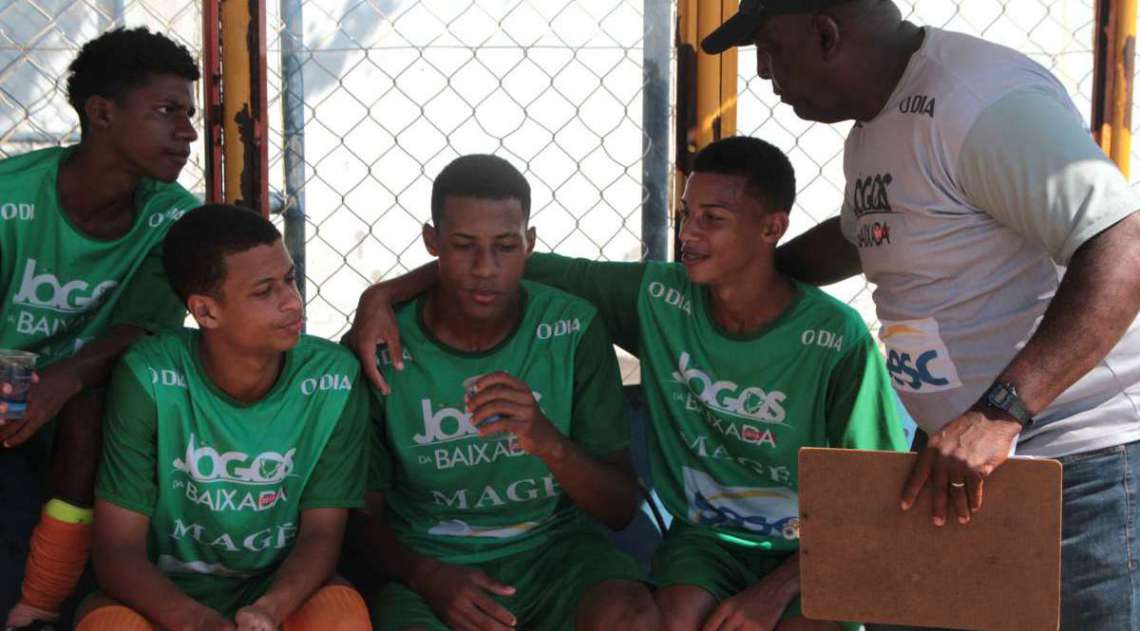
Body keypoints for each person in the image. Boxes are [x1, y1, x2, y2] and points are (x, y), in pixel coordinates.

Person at [701, 0, 1140, 628]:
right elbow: (862, 234)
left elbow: (1123, 242)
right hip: (962, 460)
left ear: (826, 34)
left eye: (771, 48)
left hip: (1076, 460)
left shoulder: (978, 101)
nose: (765, 72)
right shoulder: (876, 124)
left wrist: (1002, 411)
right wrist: (748, 273)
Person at [349, 138, 908, 630]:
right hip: (707, 543)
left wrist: (773, 594)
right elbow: (504, 264)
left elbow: (873, 499)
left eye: (711, 218)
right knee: (680, 617)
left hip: (813, 551)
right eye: (685, 214)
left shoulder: (836, 338)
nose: (687, 235)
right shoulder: (661, 297)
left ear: (771, 228)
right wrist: (383, 295)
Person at [359, 154, 659, 631]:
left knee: (632, 618)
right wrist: (428, 576)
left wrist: (547, 442)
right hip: (432, 564)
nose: (485, 268)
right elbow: (357, 519)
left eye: (504, 246)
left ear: (530, 245)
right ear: (431, 241)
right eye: (462, 246)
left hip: (554, 554)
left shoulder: (572, 329)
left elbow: (621, 508)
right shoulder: (382, 344)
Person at [76, 205, 371, 631]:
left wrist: (267, 611)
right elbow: (117, 551)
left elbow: (321, 536)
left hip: (277, 592)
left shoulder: (332, 378)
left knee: (342, 617)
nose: (292, 302)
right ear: (206, 311)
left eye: (289, 279)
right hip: (165, 595)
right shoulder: (150, 376)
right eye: (264, 291)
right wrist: (197, 622)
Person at [0, 27, 201, 630]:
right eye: (168, 112)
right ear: (102, 113)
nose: (188, 132)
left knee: (97, 405)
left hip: (91, 414)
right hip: (7, 402)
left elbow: (141, 331)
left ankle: (46, 600)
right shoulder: (10, 196)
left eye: (191, 115)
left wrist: (63, 378)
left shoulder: (174, 217)